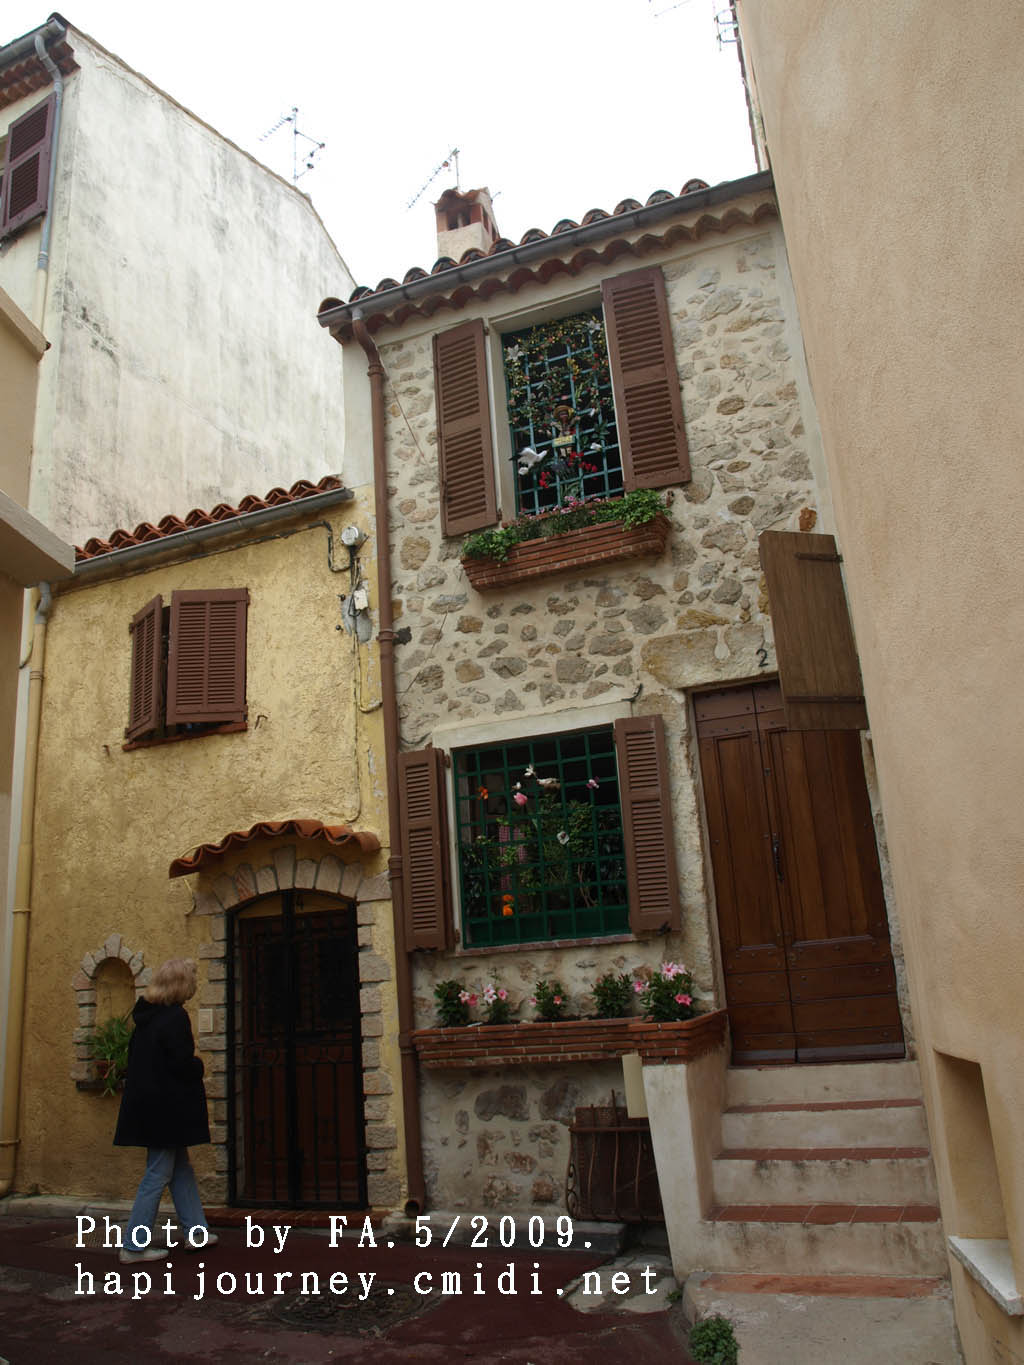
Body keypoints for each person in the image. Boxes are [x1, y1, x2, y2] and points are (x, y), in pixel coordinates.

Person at [113, 957, 216, 1264]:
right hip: (168, 1110)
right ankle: (133, 1246)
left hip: (150, 1109)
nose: (194, 987)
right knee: (157, 1173)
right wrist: (198, 1066)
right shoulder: (175, 1018)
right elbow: (180, 1064)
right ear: (181, 985)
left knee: (180, 1168)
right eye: (192, 982)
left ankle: (197, 1232)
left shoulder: (146, 1019)